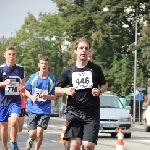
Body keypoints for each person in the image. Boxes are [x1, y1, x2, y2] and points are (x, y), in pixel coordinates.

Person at [55, 38, 108, 150]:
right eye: (81, 48)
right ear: (76, 51)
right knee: (75, 145)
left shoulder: (96, 69)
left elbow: (104, 85)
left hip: (91, 113)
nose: (84, 50)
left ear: (89, 52)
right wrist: (66, 90)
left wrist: (99, 91)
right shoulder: (68, 70)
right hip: (73, 111)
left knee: (88, 145)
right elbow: (56, 89)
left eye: (86, 48)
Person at [25, 56, 56, 150]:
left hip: (45, 109)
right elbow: (26, 91)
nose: (44, 65)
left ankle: (36, 149)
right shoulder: (33, 77)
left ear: (48, 65)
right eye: (42, 63)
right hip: (32, 108)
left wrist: (47, 97)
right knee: (32, 133)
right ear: (39, 65)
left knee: (39, 131)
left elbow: (54, 96)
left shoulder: (51, 79)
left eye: (46, 64)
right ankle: (30, 139)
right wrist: (31, 97)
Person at [0, 46, 25, 150]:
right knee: (4, 127)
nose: (11, 56)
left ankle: (14, 143)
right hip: (3, 101)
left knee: (14, 122)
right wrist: (3, 83)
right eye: (9, 54)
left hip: (15, 101)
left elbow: (22, 82)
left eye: (13, 54)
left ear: (16, 56)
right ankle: (5, 147)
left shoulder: (20, 69)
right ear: (5, 55)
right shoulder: (1, 69)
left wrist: (22, 88)